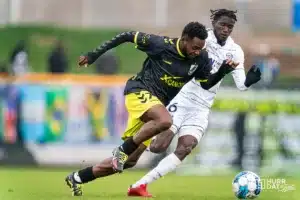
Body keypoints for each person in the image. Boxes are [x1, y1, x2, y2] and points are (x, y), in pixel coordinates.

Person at [65, 21, 238, 196]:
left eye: (200, 48)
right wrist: (94, 55)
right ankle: (122, 150)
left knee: (129, 162)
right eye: (194, 47)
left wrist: (223, 71)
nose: (197, 52)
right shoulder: (160, 44)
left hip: (154, 108)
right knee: (165, 121)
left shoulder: (201, 58)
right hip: (139, 91)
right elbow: (126, 35)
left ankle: (78, 178)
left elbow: (206, 83)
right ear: (184, 39)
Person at [128, 9, 262, 197]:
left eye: (229, 27)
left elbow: (241, 85)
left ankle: (140, 185)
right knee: (159, 147)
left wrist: (249, 81)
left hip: (201, 107)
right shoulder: (200, 39)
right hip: (182, 98)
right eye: (222, 25)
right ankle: (135, 141)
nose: (225, 29)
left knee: (186, 148)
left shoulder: (235, 51)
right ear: (214, 22)